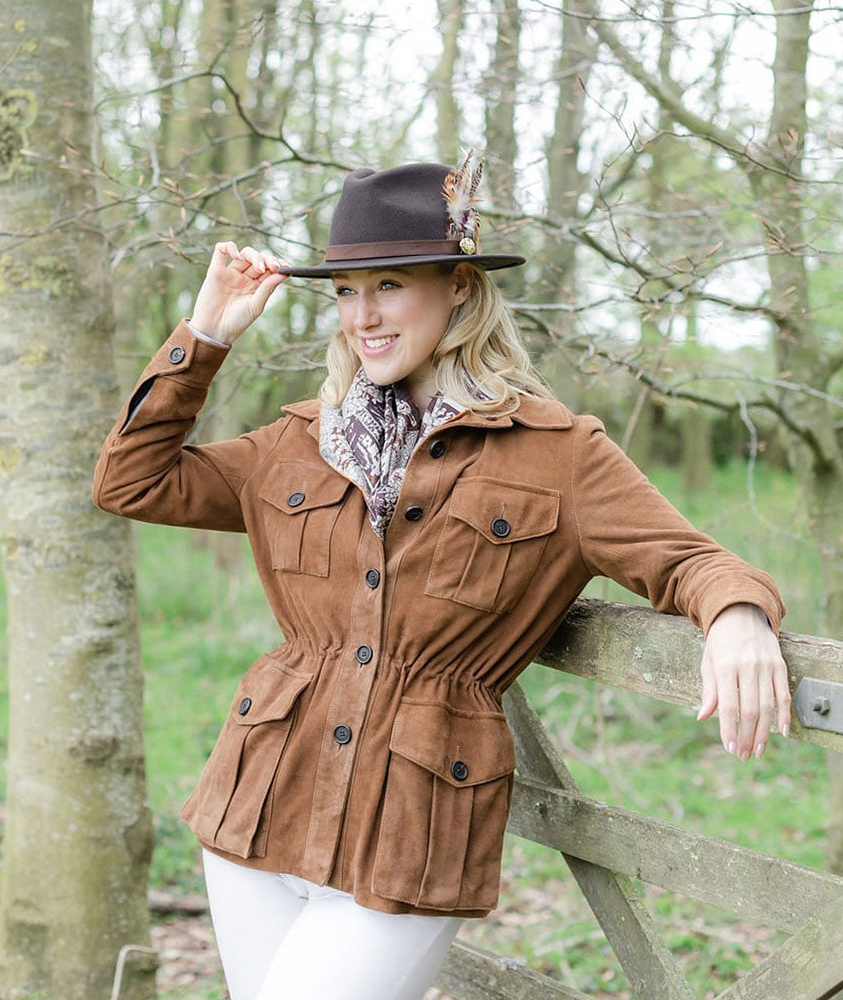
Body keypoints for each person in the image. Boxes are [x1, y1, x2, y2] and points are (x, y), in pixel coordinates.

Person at [91, 153, 790, 1000]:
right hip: (258, 806)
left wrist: (739, 618)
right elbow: (129, 481)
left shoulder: (558, 456)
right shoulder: (297, 442)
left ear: (460, 285)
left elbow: (692, 560)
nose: (363, 315)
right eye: (346, 291)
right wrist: (205, 337)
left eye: (389, 284)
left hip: (410, 833)